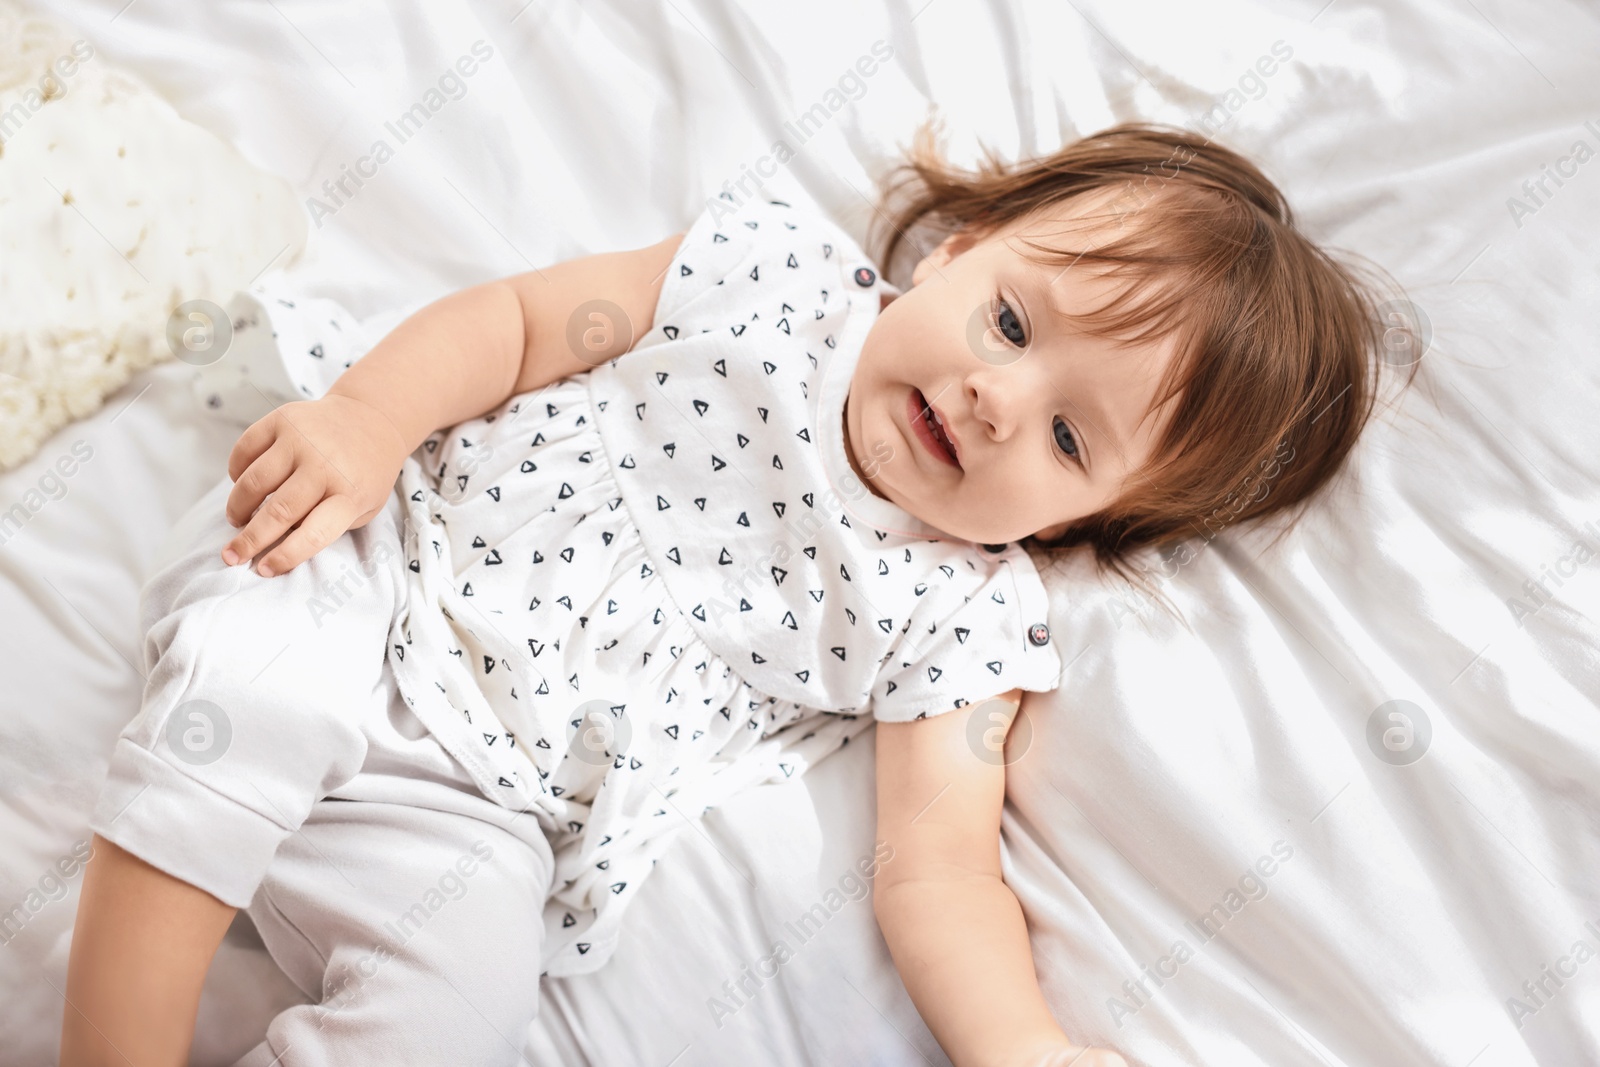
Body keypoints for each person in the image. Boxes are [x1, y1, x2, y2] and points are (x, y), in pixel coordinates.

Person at [61, 122, 1403, 1067]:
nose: (999, 402)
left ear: (1093, 518)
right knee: (250, 708)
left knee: (468, 998)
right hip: (370, 561)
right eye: (1012, 322)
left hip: (483, 802)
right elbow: (524, 325)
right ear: (961, 247)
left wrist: (1028, 1051)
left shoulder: (959, 619)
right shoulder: (771, 278)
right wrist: (364, 421)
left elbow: (936, 871)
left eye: (1068, 440)